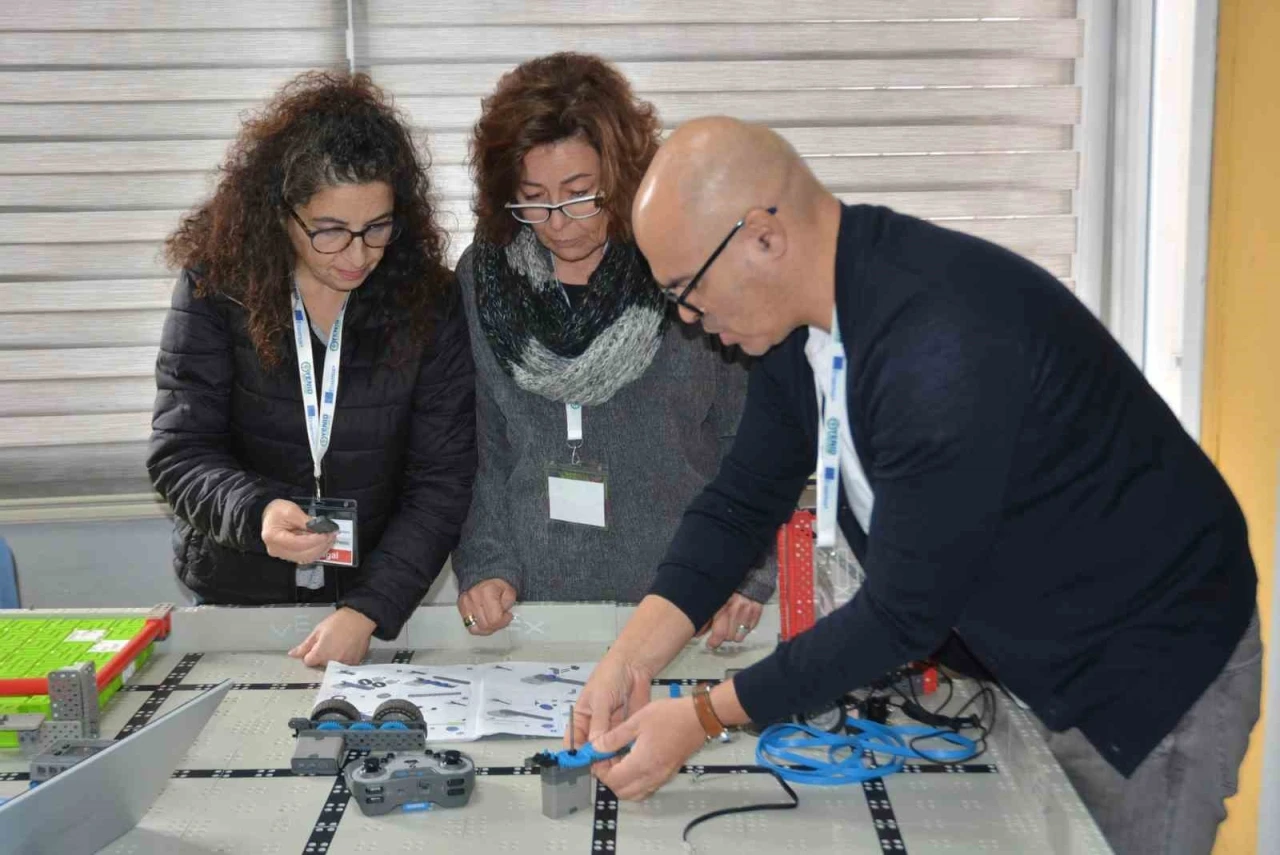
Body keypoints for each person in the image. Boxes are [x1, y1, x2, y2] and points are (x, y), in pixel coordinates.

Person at [572, 117, 1261, 855]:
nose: (686, 316)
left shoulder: (938, 339)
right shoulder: (797, 326)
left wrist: (704, 717)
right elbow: (741, 502)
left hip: (1145, 668)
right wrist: (629, 660)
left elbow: (901, 615)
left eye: (688, 288)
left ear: (763, 238)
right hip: (1030, 650)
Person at [148, 72, 476, 667]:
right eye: (329, 231)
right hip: (237, 591)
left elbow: (442, 479)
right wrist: (258, 513)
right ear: (281, 214)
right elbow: (181, 453)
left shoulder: (427, 302)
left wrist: (369, 608)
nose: (358, 254)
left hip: (374, 602)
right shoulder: (216, 290)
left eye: (377, 227)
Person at [451, 53, 772, 642]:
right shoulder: (485, 279)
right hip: (533, 610)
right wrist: (485, 561)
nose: (558, 223)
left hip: (686, 596)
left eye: (580, 195)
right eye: (534, 198)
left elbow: (749, 438)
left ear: (620, 178)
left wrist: (746, 569)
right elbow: (485, 443)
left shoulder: (687, 266)